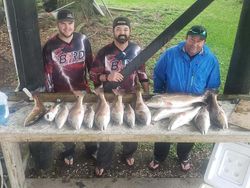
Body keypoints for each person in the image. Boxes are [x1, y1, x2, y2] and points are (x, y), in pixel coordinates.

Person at [29, 9, 96, 170]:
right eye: (63, 24)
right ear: (58, 24)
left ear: (74, 23)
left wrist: (95, 86)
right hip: (62, 92)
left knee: (87, 118)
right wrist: (53, 96)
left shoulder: (83, 40)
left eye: (70, 23)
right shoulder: (50, 45)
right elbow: (47, 74)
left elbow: (90, 65)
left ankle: (91, 148)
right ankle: (69, 151)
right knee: (65, 122)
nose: (67, 27)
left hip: (82, 89)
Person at [148, 25, 221, 172]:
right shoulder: (170, 54)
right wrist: (160, 93)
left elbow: (213, 84)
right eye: (192, 39)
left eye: (199, 40)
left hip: (194, 103)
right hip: (171, 100)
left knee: (191, 131)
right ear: (185, 38)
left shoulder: (211, 60)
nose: (195, 43)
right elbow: (158, 73)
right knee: (164, 129)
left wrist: (208, 100)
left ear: (204, 42)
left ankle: (184, 156)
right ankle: (159, 156)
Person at [90, 16, 149, 176]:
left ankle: (128, 153)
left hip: (130, 96)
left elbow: (142, 73)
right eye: (118, 29)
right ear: (113, 31)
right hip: (109, 97)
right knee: (107, 131)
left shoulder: (136, 50)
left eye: (125, 29)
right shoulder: (104, 52)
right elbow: (93, 75)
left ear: (129, 31)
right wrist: (107, 77)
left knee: (131, 128)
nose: (122, 32)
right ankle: (103, 161)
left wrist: (146, 91)